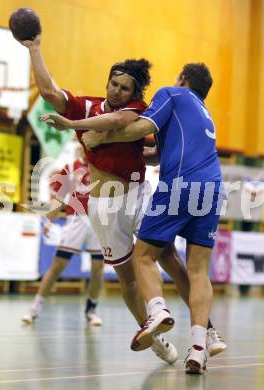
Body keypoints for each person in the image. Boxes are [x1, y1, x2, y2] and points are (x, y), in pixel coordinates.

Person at [16, 34, 179, 364]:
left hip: (136, 194)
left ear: (134, 94)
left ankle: (186, 320)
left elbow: (117, 122)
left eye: (124, 87)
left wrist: (76, 126)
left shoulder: (137, 109)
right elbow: (49, 93)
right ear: (107, 83)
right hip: (102, 207)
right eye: (114, 84)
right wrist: (35, 49)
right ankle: (154, 336)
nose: (117, 91)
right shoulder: (88, 105)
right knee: (126, 280)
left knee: (164, 255)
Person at [80, 62, 223, 374]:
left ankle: (157, 311)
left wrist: (97, 138)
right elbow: (156, 153)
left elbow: (140, 127)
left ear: (183, 79)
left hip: (180, 183)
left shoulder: (171, 94)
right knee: (199, 270)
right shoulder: (202, 112)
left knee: (144, 255)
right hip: (214, 186)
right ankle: (202, 343)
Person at [22, 151, 104, 326]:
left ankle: (92, 309)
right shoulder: (70, 168)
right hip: (76, 220)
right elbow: (58, 199)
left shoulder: (103, 166)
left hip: (98, 221)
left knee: (98, 269)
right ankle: (35, 308)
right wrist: (49, 222)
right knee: (57, 266)